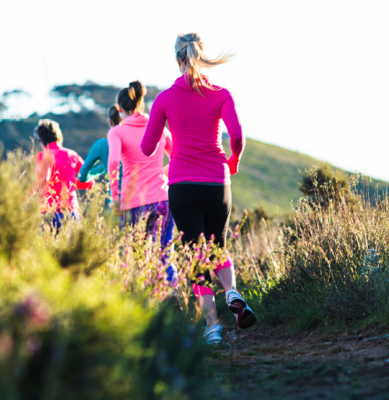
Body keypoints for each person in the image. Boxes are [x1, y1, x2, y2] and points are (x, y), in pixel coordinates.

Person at [141, 32, 256, 344]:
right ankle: (232, 292)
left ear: (178, 59)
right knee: (217, 248)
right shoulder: (221, 94)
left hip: (182, 184)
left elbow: (148, 147)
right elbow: (238, 136)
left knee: (195, 255)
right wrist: (233, 161)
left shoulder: (164, 98)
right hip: (218, 182)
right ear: (201, 57)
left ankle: (213, 327)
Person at [107, 81, 176, 283]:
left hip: (133, 205)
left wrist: (114, 197)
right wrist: (162, 175)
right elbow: (179, 157)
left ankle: (146, 304)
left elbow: (112, 162)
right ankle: (171, 296)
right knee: (164, 254)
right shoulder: (159, 128)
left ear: (120, 109)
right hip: (163, 201)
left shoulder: (117, 132)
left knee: (136, 258)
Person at [34, 119, 93, 231]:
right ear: (59, 136)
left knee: (46, 248)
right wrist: (70, 182)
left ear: (41, 140)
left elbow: (38, 184)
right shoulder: (72, 155)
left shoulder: (42, 156)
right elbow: (90, 183)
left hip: (48, 214)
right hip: (71, 213)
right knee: (74, 248)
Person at [78, 106, 123, 207]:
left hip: (116, 204)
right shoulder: (136, 140)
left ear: (110, 121)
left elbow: (82, 176)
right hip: (141, 200)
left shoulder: (101, 144)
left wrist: (102, 168)